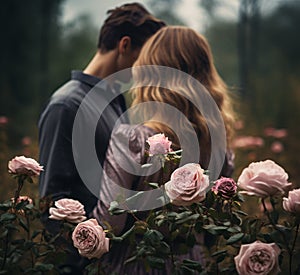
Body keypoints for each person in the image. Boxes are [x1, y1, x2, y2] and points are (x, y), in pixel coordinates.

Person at [92, 26, 236, 274]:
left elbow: (108, 224)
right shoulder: (219, 146)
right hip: (193, 265)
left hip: (134, 264)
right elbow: (218, 226)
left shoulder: (132, 139)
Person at [38, 3, 165, 273]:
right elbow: (52, 199)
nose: (146, 70)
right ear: (125, 45)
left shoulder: (116, 103)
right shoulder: (66, 106)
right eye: (144, 59)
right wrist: (75, 265)